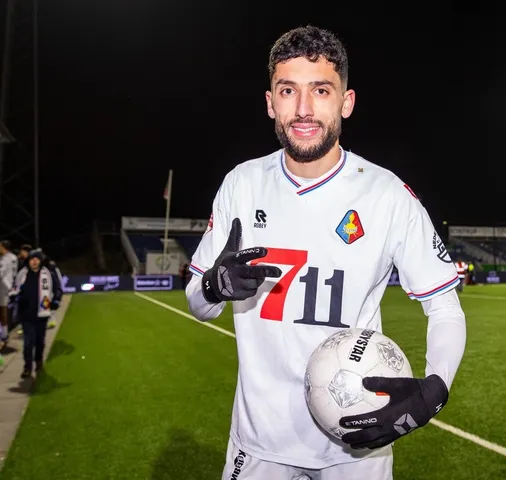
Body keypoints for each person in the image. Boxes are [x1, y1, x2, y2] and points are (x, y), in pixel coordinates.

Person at [186, 26, 467, 479]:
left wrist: (435, 388)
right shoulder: (242, 184)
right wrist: (212, 288)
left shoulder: (387, 195)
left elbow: (445, 307)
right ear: (270, 103)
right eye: (288, 91)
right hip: (260, 443)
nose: (303, 108)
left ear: (346, 102)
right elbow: (198, 306)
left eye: (320, 90)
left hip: (358, 446)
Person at [9, 248, 61, 378]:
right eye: (32, 259)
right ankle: (27, 367)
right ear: (28, 261)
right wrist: (15, 298)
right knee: (28, 343)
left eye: (37, 259)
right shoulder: (22, 274)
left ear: (41, 261)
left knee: (39, 342)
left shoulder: (48, 274)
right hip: (26, 314)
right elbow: (14, 289)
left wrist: (55, 301)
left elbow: (57, 289)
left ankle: (38, 362)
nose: (34, 261)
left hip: (42, 315)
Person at [0, 240, 19, 345]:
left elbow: (0, 273)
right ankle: (5, 332)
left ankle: (4, 334)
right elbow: (15, 272)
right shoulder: (14, 257)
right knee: (6, 310)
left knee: (3, 310)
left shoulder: (4, 259)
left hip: (3, 287)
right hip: (10, 285)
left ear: (4, 247)